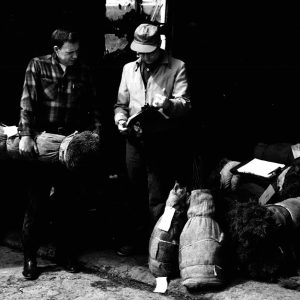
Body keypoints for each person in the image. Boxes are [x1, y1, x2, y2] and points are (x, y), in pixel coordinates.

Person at [18, 27, 101, 279]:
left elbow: (94, 106)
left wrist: (96, 135)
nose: (75, 56)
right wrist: (25, 135)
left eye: (77, 51)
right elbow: (27, 102)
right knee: (37, 203)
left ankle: (65, 253)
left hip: (71, 144)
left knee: (69, 203)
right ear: (56, 50)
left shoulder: (83, 71)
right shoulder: (38, 66)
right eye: (70, 52)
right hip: (43, 142)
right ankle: (30, 257)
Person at [114, 23, 192, 256]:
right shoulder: (129, 69)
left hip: (162, 141)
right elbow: (121, 103)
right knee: (132, 191)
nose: (141, 55)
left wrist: (167, 104)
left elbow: (185, 104)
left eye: (147, 51)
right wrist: (120, 119)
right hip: (134, 140)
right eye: (138, 51)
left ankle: (156, 245)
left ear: (159, 47)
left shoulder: (177, 67)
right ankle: (133, 240)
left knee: (157, 196)